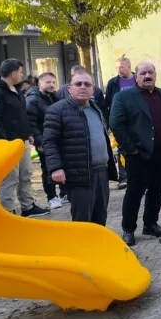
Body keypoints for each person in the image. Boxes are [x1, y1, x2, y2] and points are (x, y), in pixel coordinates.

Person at [109, 62, 161, 246]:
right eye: (143, 73)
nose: (147, 76)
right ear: (136, 76)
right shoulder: (123, 97)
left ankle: (150, 224)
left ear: (155, 74)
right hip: (138, 155)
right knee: (135, 191)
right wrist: (131, 149)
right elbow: (116, 123)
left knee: (157, 189)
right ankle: (128, 229)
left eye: (150, 72)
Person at [42, 71, 117, 226]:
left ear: (93, 89)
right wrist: (56, 168)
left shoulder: (95, 108)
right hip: (78, 175)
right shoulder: (57, 110)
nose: (83, 87)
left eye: (87, 84)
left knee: (100, 218)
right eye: (78, 84)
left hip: (101, 172)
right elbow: (49, 142)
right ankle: (81, 244)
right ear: (70, 89)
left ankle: (96, 243)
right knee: (82, 221)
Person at [0, 59, 49, 218]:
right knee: (10, 178)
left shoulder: (17, 89)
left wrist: (28, 133)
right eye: (20, 72)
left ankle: (28, 206)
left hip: (22, 141)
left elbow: (21, 115)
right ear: (13, 74)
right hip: (7, 144)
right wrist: (4, 143)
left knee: (25, 174)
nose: (22, 75)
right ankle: (7, 211)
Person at [26, 72, 67, 210]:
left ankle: (64, 193)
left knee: (62, 165)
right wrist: (40, 142)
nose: (51, 85)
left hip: (58, 139)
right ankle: (52, 197)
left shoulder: (55, 97)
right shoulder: (33, 100)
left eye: (53, 82)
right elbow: (31, 124)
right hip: (44, 141)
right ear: (40, 83)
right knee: (48, 168)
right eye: (48, 82)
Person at [104, 57, 136, 190]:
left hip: (137, 120)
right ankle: (123, 177)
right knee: (122, 148)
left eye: (121, 67)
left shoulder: (138, 79)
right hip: (120, 122)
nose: (119, 70)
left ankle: (140, 175)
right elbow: (108, 103)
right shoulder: (113, 83)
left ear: (129, 67)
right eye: (117, 67)